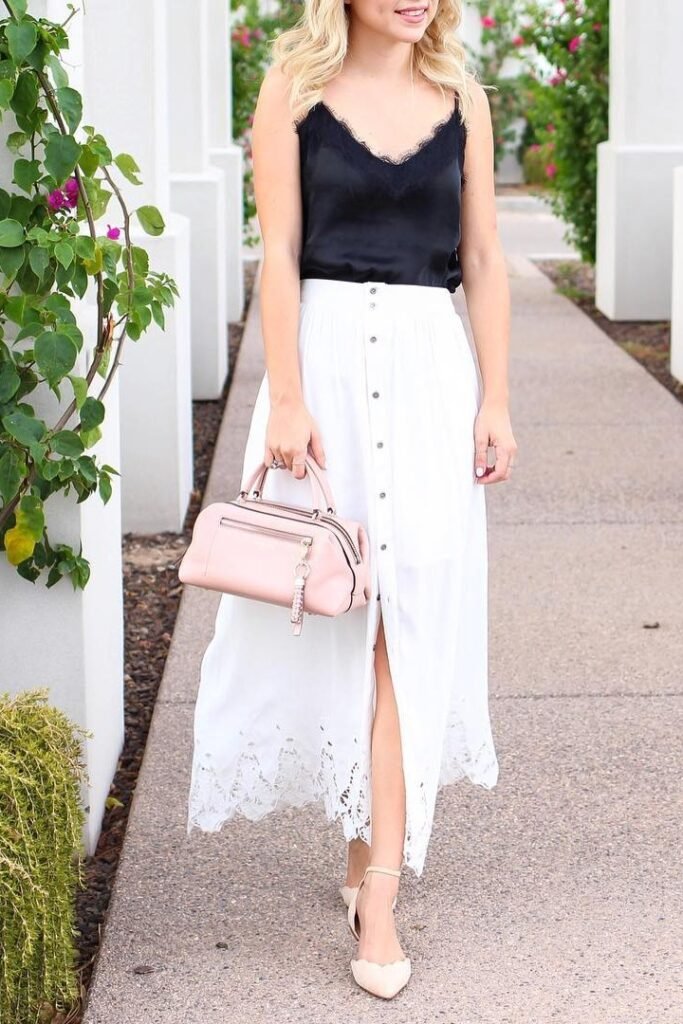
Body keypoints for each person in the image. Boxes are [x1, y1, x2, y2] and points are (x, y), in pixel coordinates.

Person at [187, 0, 516, 1000]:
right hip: (322, 372)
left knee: (402, 620)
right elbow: (277, 253)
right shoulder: (290, 88)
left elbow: (486, 260)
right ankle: (362, 844)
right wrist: (282, 394)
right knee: (346, 612)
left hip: (426, 375)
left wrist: (495, 398)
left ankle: (377, 892)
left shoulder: (462, 97)